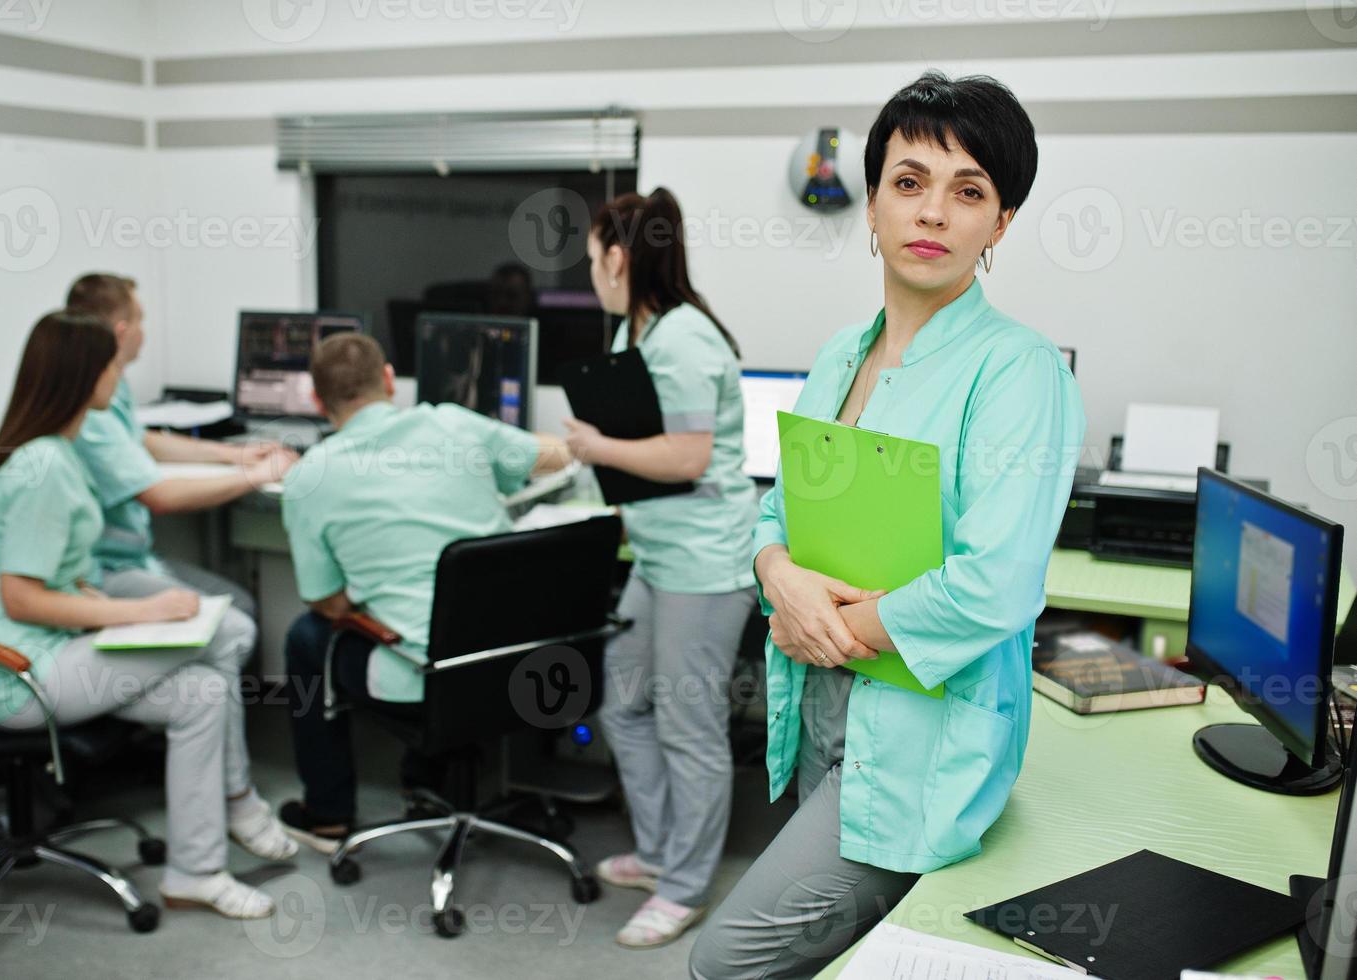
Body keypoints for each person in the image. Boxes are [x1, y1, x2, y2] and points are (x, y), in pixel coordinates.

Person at [686, 72, 1087, 978]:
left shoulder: (1018, 372)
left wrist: (821, 632)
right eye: (908, 183)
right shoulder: (840, 354)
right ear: (870, 204)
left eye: (968, 191)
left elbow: (995, 585)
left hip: (920, 741)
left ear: (1000, 225)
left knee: (724, 963)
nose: (933, 212)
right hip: (823, 712)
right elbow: (776, 509)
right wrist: (778, 574)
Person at [0, 312, 297, 920]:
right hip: (14, 671)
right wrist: (141, 611)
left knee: (200, 693)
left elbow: (60, 575)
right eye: (111, 363)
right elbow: (21, 600)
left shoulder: (59, 452)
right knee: (228, 631)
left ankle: (196, 870)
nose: (121, 372)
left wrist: (122, 613)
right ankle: (240, 799)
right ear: (85, 374)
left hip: (55, 647)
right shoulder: (42, 468)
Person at [275, 332, 572, 852]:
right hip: (517, 661)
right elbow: (552, 457)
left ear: (318, 403)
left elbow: (328, 603)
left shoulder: (308, 478)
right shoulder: (453, 422)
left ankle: (327, 814)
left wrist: (372, 596)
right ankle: (426, 778)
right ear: (389, 380)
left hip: (426, 678)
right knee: (439, 617)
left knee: (308, 636)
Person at [562, 188, 759, 949]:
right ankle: (658, 853)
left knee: (689, 725)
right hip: (658, 554)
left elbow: (687, 456)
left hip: (704, 565)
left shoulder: (682, 339)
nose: (590, 276)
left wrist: (594, 449)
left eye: (590, 261)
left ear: (618, 256)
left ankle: (684, 888)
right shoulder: (635, 330)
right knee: (621, 703)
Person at [64, 273, 299, 615]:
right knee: (237, 615)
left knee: (239, 605)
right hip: (105, 570)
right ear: (121, 331)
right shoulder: (91, 408)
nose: (145, 331)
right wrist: (259, 475)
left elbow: (141, 439)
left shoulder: (111, 385)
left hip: (131, 557)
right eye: (140, 320)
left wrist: (233, 454)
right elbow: (159, 497)